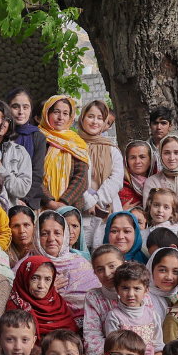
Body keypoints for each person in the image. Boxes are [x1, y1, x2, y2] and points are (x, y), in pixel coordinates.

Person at [82, 262, 163, 355]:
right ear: (117, 290)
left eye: (137, 288)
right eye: (125, 288)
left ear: (146, 291)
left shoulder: (153, 315)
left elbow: (159, 345)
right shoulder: (114, 316)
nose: (130, 294)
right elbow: (113, 347)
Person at [33, 210, 100, 312]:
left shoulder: (81, 264)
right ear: (37, 236)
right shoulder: (27, 265)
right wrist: (47, 291)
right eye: (44, 234)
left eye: (57, 233)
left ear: (65, 236)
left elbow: (95, 298)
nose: (51, 238)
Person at [77, 100, 122, 247]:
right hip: (79, 208)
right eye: (90, 116)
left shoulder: (112, 149)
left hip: (106, 209)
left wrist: (97, 201)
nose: (95, 121)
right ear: (82, 117)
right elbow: (71, 176)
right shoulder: (72, 146)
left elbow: (116, 179)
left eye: (100, 118)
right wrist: (87, 202)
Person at [37, 95, 90, 211]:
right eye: (56, 112)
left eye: (65, 113)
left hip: (71, 208)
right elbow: (33, 175)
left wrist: (63, 202)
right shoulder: (37, 139)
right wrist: (49, 202)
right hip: (42, 207)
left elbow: (81, 178)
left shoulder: (77, 144)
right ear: (47, 113)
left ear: (70, 117)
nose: (61, 117)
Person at [142, 134, 178, 218]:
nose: (171, 157)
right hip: (162, 229)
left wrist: (167, 212)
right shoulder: (152, 182)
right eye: (167, 153)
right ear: (160, 155)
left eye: (176, 152)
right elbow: (149, 210)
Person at [7, 89, 47, 209]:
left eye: (25, 107)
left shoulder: (38, 137)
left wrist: (22, 200)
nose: (21, 112)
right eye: (15, 106)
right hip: (2, 199)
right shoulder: (1, 133)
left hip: (28, 202)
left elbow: (37, 173)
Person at [147, 246, 178, 322]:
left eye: (176, 272)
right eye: (162, 270)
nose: (169, 277)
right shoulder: (143, 300)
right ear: (151, 270)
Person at [119, 140, 157, 209]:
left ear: (150, 161)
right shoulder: (120, 184)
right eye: (132, 158)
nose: (137, 161)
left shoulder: (160, 182)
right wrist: (122, 211)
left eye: (142, 157)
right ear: (126, 162)